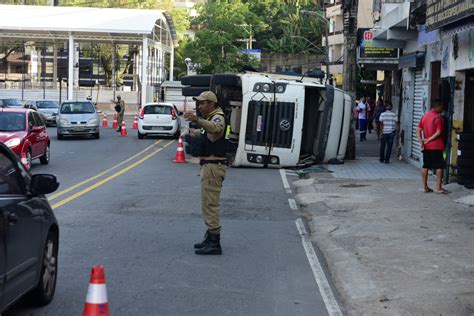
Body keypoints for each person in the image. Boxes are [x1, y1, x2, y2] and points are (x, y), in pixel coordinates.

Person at [184, 91, 227, 255]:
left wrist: (197, 120)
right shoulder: (211, 117)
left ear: (211, 103)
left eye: (202, 103)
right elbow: (208, 135)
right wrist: (195, 133)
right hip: (209, 165)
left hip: (214, 166)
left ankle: (214, 242)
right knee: (207, 203)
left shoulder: (218, 117)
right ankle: (209, 237)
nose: (200, 106)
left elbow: (216, 129)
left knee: (210, 204)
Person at [416, 99, 448, 194]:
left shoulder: (424, 117)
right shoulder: (438, 118)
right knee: (439, 166)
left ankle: (425, 187)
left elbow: (418, 129)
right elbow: (439, 132)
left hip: (426, 146)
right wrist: (429, 139)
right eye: (441, 106)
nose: (442, 108)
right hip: (437, 146)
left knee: (425, 165)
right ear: (437, 106)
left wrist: (421, 141)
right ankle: (438, 188)